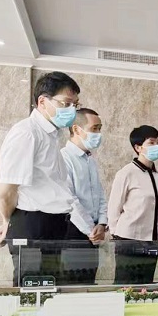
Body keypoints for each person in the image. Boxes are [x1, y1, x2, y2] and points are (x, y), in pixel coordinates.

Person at [0, 71, 78, 286]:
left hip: (53, 223)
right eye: (66, 103)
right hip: (33, 225)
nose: (71, 110)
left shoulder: (51, 134)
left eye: (75, 105)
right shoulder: (27, 132)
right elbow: (7, 191)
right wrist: (8, 222)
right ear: (42, 101)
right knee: (30, 290)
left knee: (49, 288)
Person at [107, 126, 158, 285]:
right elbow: (114, 207)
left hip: (152, 240)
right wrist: (116, 235)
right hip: (129, 239)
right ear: (138, 147)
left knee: (145, 285)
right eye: (151, 142)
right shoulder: (126, 173)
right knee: (125, 284)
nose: (156, 146)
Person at [59, 108, 108, 284]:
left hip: (94, 233)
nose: (98, 134)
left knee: (89, 283)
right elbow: (69, 199)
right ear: (76, 129)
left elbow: (100, 195)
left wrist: (102, 223)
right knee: (73, 285)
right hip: (75, 231)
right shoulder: (64, 158)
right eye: (94, 128)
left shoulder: (90, 160)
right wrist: (90, 230)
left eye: (100, 128)